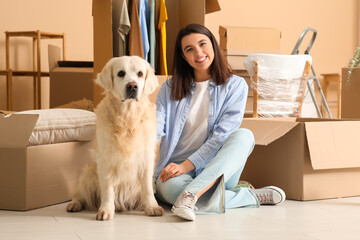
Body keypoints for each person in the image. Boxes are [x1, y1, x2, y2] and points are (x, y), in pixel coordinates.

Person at [154, 23, 285, 221]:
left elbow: (221, 136)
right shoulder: (169, 88)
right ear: (183, 56)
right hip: (175, 169)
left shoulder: (236, 85)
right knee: (167, 190)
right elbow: (154, 128)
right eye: (189, 49)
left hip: (218, 169)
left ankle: (191, 196)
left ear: (213, 46)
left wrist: (188, 166)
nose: (198, 52)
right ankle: (248, 197)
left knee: (244, 135)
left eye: (202, 44)